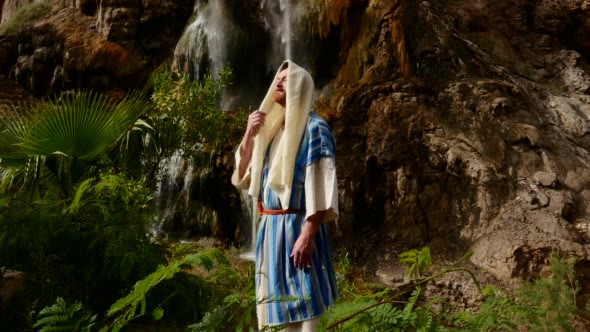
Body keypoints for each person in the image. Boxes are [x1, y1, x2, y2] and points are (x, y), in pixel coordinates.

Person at [232, 60, 338, 331]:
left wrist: (309, 232)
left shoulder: (316, 128)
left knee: (307, 301)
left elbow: (321, 179)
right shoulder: (270, 131)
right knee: (279, 304)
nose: (278, 82)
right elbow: (244, 177)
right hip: (270, 230)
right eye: (277, 78)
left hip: (299, 227)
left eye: (286, 79)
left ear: (300, 87)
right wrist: (249, 134)